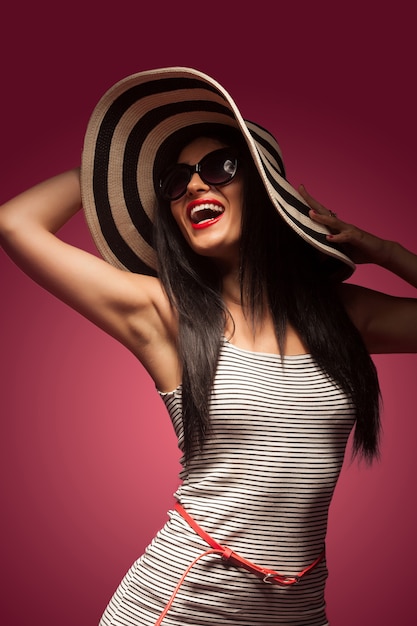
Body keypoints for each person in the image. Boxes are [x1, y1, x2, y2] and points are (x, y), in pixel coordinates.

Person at [1, 67, 416, 626]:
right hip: (178, 604)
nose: (195, 186)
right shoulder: (165, 316)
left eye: (220, 167)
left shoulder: (344, 314)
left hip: (298, 608)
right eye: (175, 181)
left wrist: (388, 251)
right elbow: (15, 224)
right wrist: (122, 164)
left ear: (266, 189)